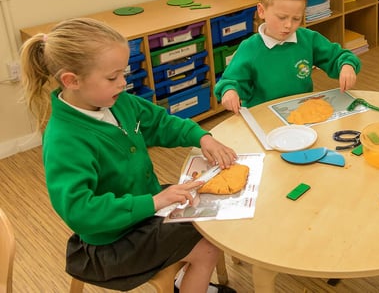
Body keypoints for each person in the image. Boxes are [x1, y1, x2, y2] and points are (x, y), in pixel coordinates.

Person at [20, 18, 237, 293]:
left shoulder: (116, 100)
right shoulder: (65, 139)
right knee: (207, 243)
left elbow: (159, 123)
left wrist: (202, 137)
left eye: (124, 73)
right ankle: (192, 280)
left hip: (143, 211)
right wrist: (155, 201)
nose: (123, 83)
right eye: (113, 77)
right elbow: (80, 211)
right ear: (71, 81)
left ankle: (188, 278)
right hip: (113, 244)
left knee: (207, 202)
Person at [215, 0, 361, 113]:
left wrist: (347, 66)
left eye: (296, 18)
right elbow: (230, 81)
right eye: (282, 17)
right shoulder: (249, 48)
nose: (288, 25)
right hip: (264, 117)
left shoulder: (308, 39)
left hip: (302, 112)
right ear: (261, 11)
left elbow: (338, 56)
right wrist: (229, 91)